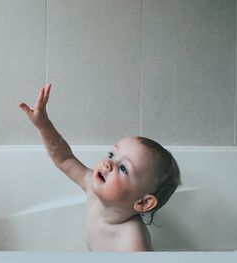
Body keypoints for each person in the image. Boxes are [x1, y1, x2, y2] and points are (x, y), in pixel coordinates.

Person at [19, 83, 181, 251]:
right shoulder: (93, 189)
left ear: (143, 202)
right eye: (112, 155)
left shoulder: (132, 240)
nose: (108, 163)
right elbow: (65, 159)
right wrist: (43, 124)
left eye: (123, 168)